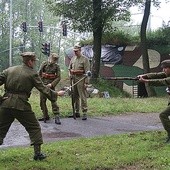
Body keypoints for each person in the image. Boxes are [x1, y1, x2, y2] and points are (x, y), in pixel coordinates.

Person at [0, 52, 65, 160]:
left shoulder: (9, 70)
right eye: (34, 61)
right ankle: (37, 154)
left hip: (5, 104)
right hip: (21, 105)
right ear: (30, 61)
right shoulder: (32, 73)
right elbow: (43, 89)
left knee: (0, 129)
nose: (34, 63)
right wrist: (56, 94)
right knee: (34, 127)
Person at [138, 59, 170, 143]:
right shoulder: (166, 74)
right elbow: (157, 75)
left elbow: (163, 81)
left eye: (166, 68)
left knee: (163, 115)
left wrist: (146, 81)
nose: (164, 70)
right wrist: (145, 76)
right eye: (163, 68)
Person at [68, 44, 90, 120]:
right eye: (74, 51)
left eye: (76, 51)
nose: (75, 52)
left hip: (81, 79)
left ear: (80, 50)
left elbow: (88, 72)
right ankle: (76, 112)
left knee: (82, 96)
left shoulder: (85, 59)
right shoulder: (73, 59)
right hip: (74, 79)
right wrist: (70, 75)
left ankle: (84, 112)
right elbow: (69, 69)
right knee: (74, 96)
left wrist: (86, 83)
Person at [38, 53, 61, 124]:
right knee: (42, 101)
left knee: (53, 100)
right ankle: (45, 115)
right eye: (53, 59)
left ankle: (57, 115)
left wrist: (52, 84)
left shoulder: (57, 66)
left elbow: (58, 77)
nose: (53, 61)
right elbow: (39, 74)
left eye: (55, 60)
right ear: (50, 58)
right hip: (43, 85)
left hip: (51, 86)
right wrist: (41, 84)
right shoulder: (44, 64)